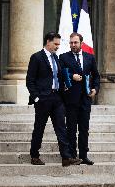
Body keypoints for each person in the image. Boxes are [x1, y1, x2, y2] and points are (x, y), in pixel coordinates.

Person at [26, 32, 82, 167]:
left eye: (58, 44)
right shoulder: (37, 57)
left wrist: (65, 86)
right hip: (43, 99)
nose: (57, 47)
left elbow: (59, 76)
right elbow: (30, 80)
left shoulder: (56, 58)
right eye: (55, 44)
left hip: (57, 98)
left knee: (61, 128)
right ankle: (34, 155)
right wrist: (37, 97)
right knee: (39, 128)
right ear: (48, 42)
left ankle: (66, 157)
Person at [59, 32, 100, 165]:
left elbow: (96, 76)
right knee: (71, 128)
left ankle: (83, 155)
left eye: (75, 42)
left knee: (84, 128)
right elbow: (60, 75)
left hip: (86, 99)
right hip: (70, 99)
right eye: (71, 43)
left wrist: (95, 89)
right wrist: (72, 77)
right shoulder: (63, 57)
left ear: (81, 43)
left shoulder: (90, 57)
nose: (73, 45)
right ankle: (72, 155)